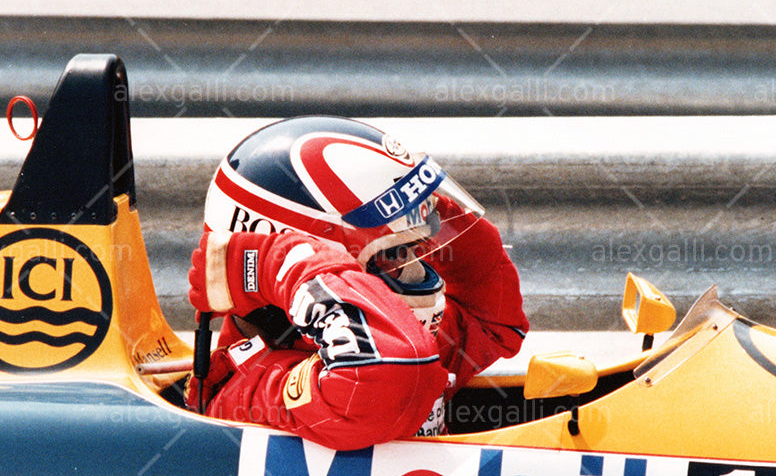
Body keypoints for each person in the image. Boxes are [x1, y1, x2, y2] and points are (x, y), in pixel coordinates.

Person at [186, 116, 528, 450]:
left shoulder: (393, 335)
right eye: (393, 255)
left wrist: (419, 205)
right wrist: (281, 261)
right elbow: (391, 372)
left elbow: (494, 319)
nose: (414, 273)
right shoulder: (247, 393)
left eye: (414, 251)